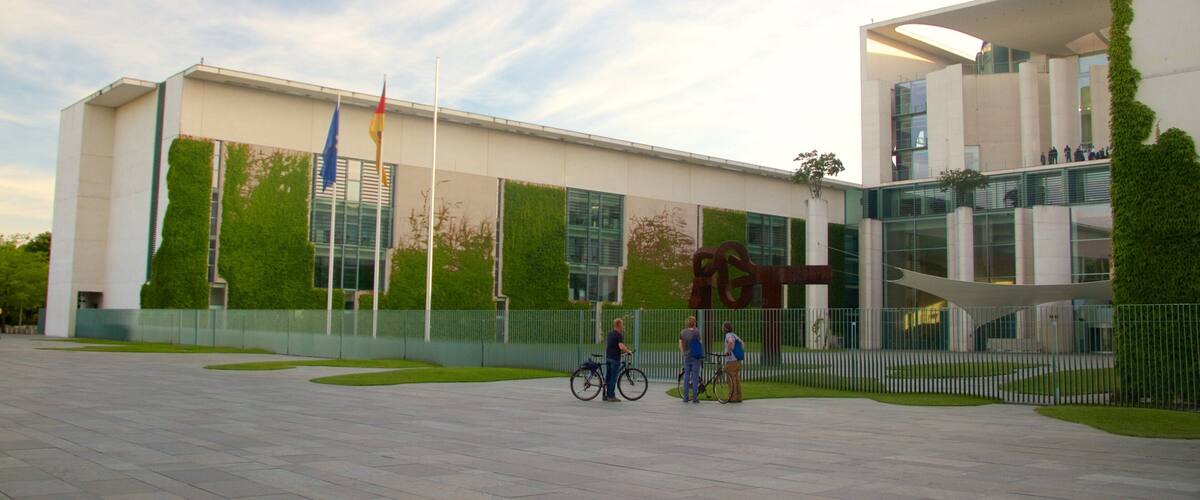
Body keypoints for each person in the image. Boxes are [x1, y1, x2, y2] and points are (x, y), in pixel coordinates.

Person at [604, 318, 632, 402]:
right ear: (619, 325)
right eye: (622, 325)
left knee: (608, 377)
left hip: (608, 358)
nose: (623, 326)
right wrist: (628, 351)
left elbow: (612, 345)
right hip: (614, 359)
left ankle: (605, 395)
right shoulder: (618, 335)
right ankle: (611, 396)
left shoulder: (610, 334)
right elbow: (621, 346)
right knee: (613, 378)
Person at [678, 316, 703, 403]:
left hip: (687, 356)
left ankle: (685, 398)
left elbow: (680, 345)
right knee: (695, 377)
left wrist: (684, 353)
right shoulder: (696, 332)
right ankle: (695, 398)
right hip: (695, 357)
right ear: (694, 323)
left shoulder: (682, 332)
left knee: (686, 377)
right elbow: (700, 342)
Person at [722, 321, 744, 403]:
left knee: (730, 379)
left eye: (723, 327)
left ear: (725, 328)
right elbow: (742, 343)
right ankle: (738, 397)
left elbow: (730, 342)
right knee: (736, 379)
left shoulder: (728, 335)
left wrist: (728, 351)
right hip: (737, 360)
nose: (722, 328)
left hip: (731, 360)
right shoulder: (734, 335)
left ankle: (733, 397)